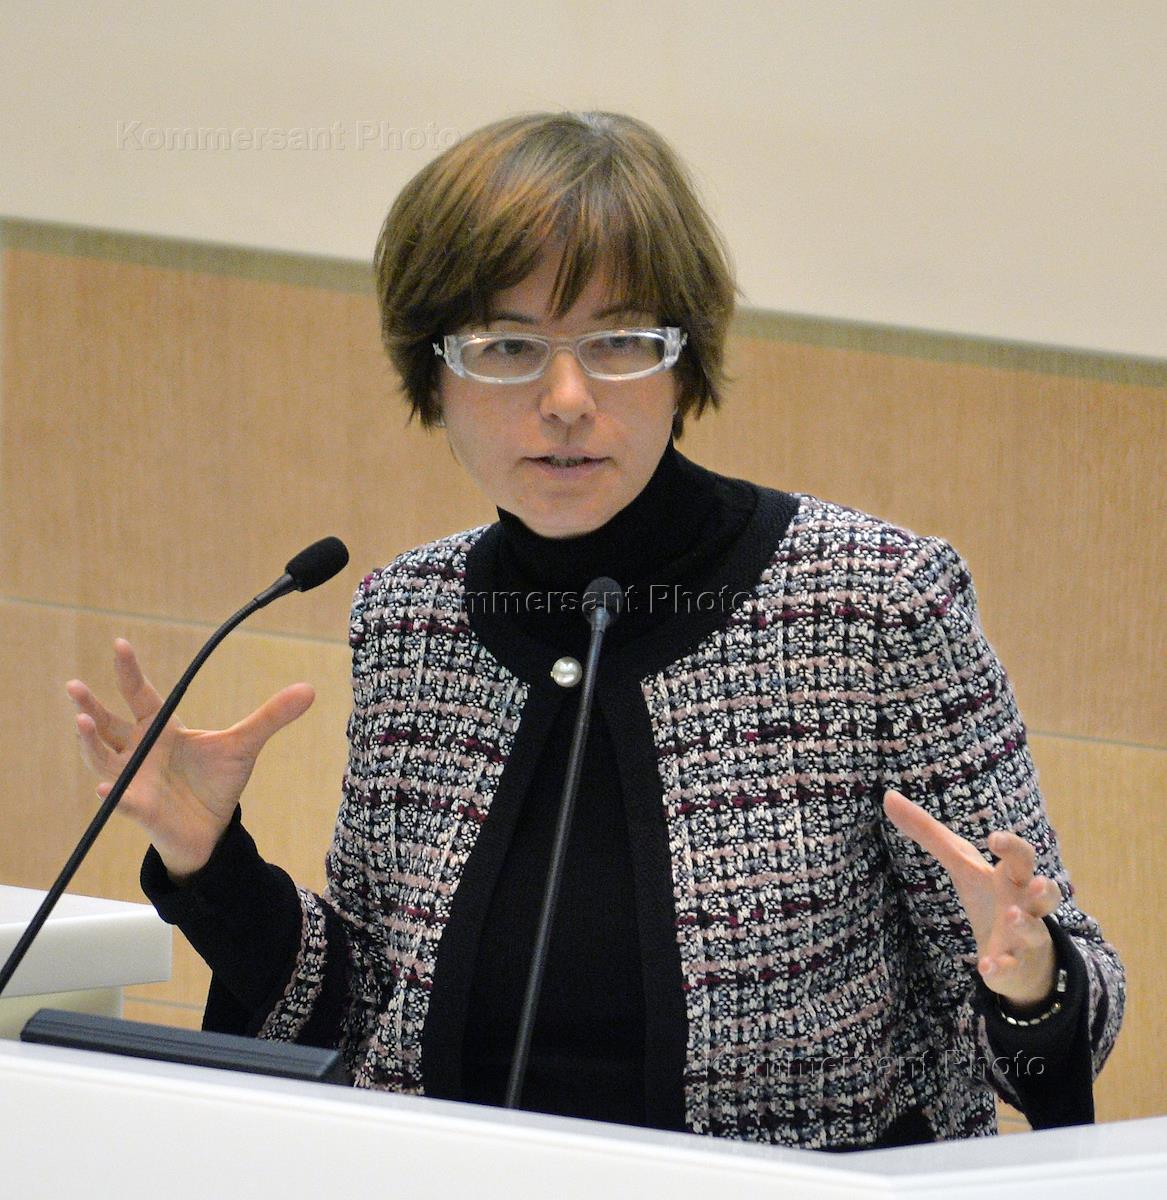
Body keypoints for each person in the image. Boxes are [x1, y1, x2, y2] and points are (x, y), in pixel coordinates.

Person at [67, 110, 1124, 1150]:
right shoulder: (411, 617)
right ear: (433, 372)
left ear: (684, 362)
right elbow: (366, 1019)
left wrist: (1033, 981)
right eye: (507, 346)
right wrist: (211, 863)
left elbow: (1069, 1025)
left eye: (618, 341)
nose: (567, 398)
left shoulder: (872, 603)